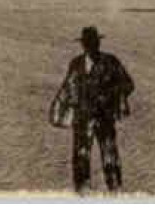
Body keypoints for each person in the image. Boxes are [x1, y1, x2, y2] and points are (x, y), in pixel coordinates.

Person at [50, 26, 135, 194]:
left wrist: (110, 96)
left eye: (93, 42)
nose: (90, 46)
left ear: (98, 43)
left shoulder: (111, 62)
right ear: (83, 45)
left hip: (104, 117)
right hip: (82, 118)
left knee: (110, 155)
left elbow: (128, 84)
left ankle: (115, 191)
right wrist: (60, 110)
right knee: (81, 158)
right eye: (87, 43)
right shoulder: (76, 64)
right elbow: (67, 88)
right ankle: (82, 193)